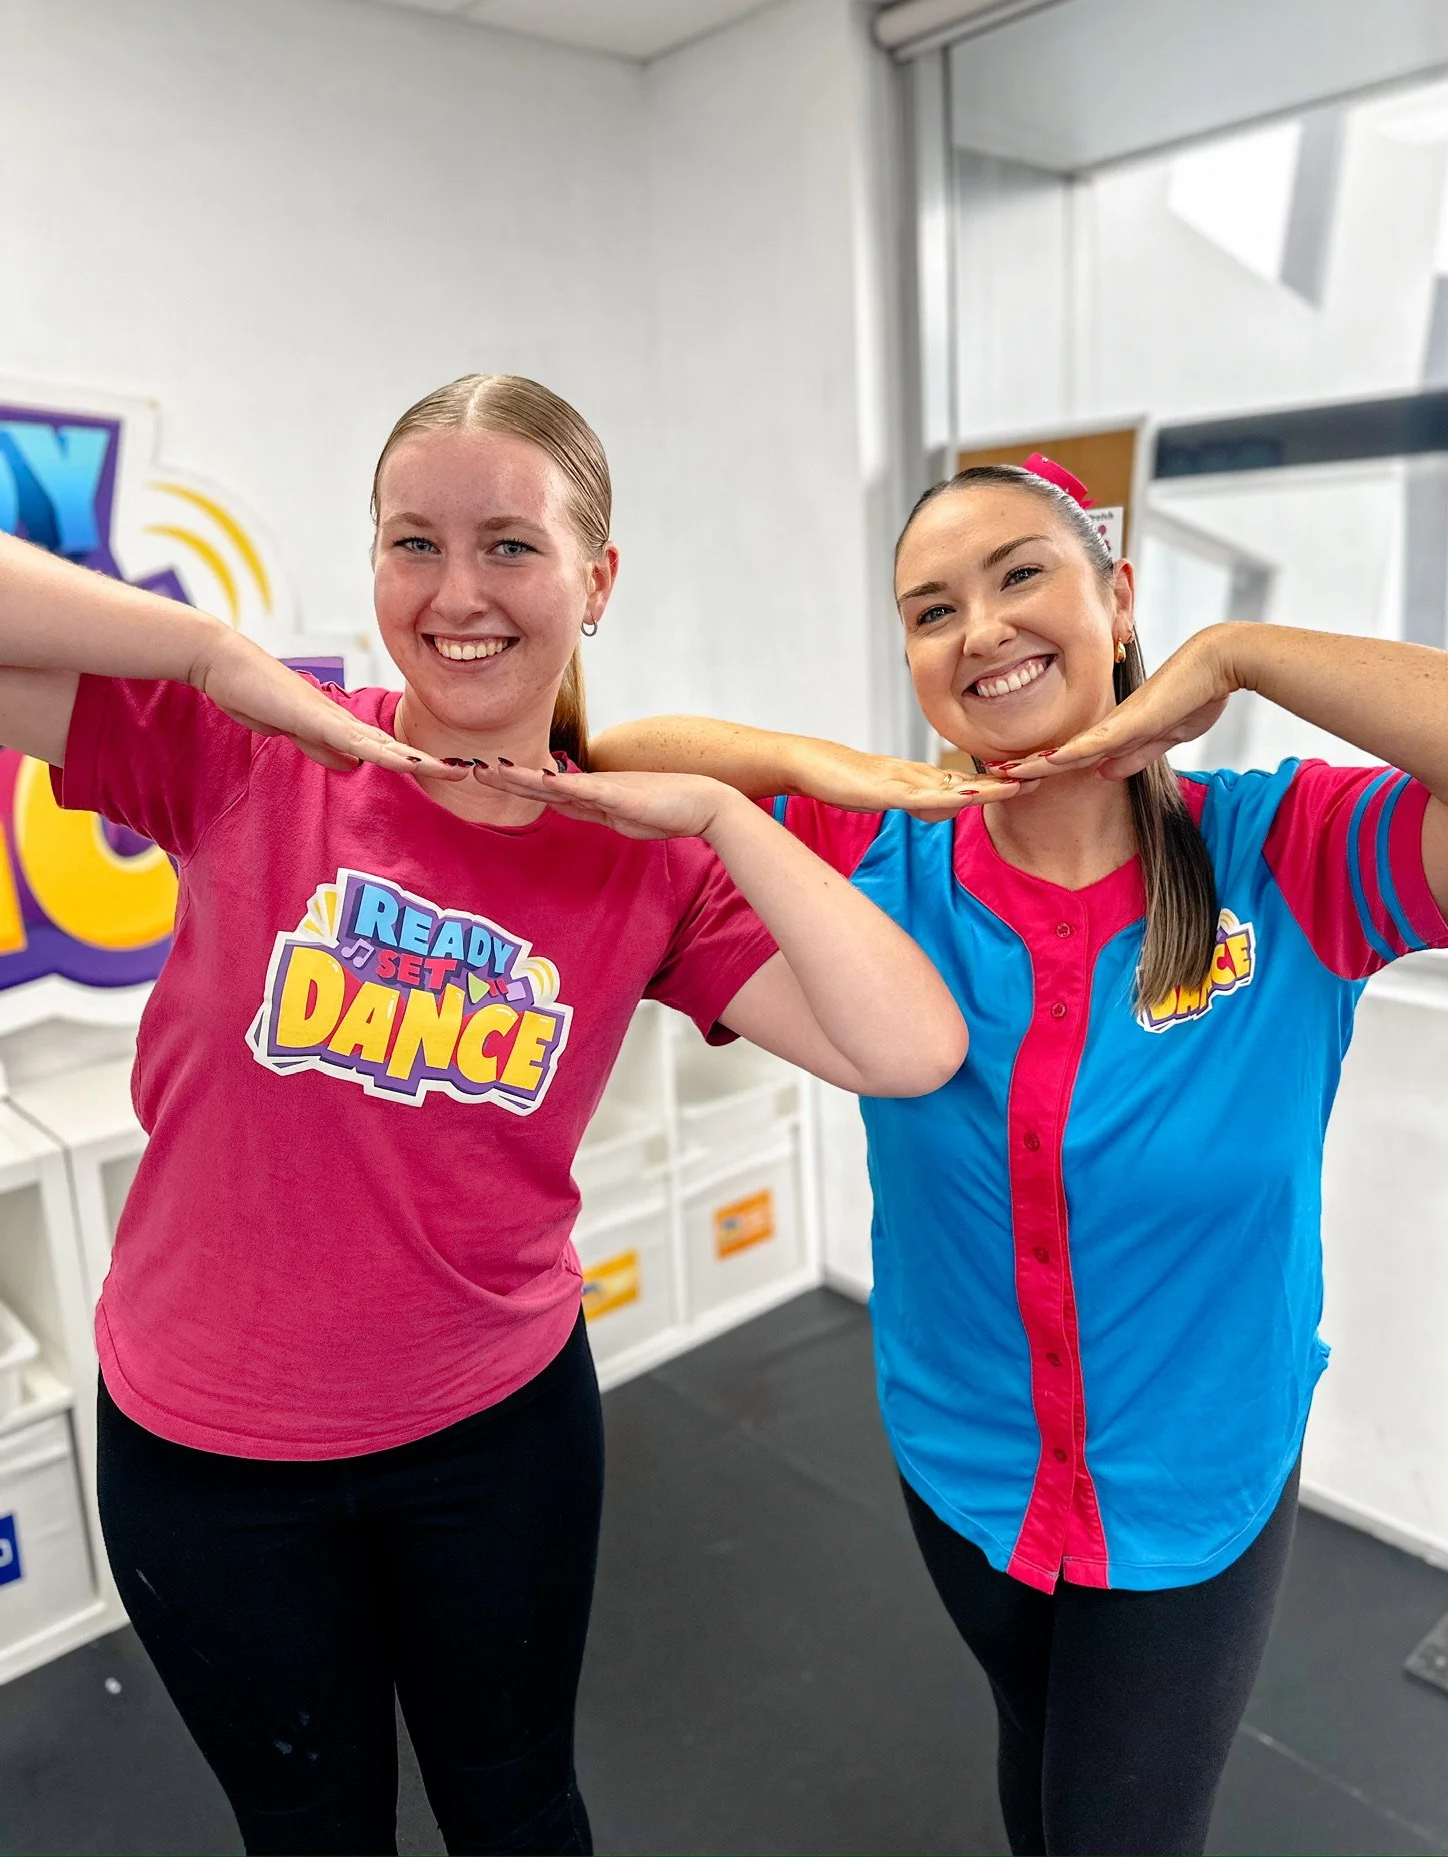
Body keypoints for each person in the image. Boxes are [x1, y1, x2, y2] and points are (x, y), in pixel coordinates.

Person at [0, 374, 968, 1857]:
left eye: (512, 545)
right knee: (310, 1830)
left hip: (493, 1437)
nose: (458, 593)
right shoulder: (257, 748)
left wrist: (722, 810)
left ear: (599, 580)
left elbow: (905, 1051)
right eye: (412, 544)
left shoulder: (642, 856)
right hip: (205, 1455)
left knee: (517, 1811)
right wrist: (205, 650)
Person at [579, 457, 1448, 1856]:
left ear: (1118, 598)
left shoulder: (1285, 855)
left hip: (1189, 1489)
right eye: (929, 609)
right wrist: (809, 767)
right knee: (1036, 1766)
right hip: (963, 1464)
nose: (979, 629)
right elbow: (598, 771)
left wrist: (1239, 655)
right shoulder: (870, 863)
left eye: (1022, 573)